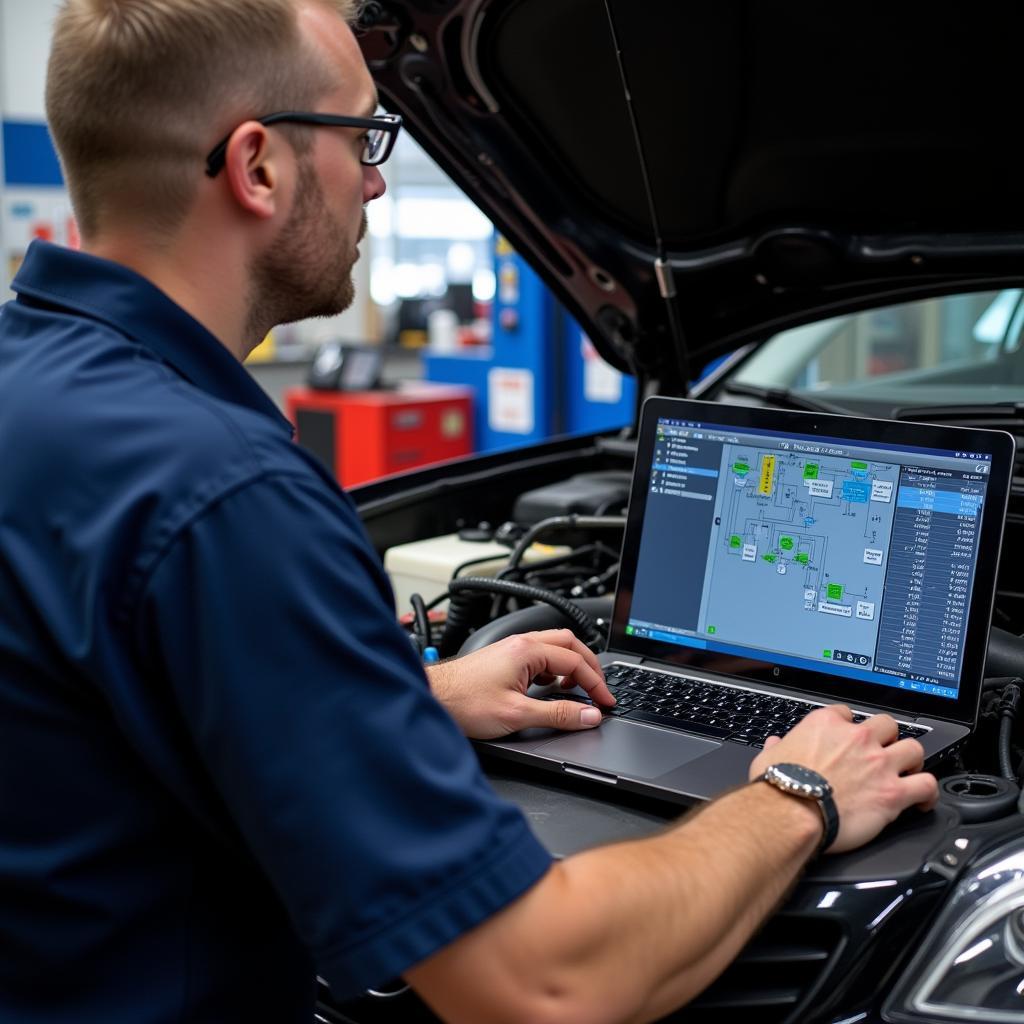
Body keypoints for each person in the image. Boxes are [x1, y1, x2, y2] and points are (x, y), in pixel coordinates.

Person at [0, 1, 938, 1022]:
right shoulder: (225, 494)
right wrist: (796, 791)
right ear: (258, 165)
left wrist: (413, 696)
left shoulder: (38, 393)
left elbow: (107, 705)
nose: (373, 179)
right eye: (362, 136)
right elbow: (539, 983)